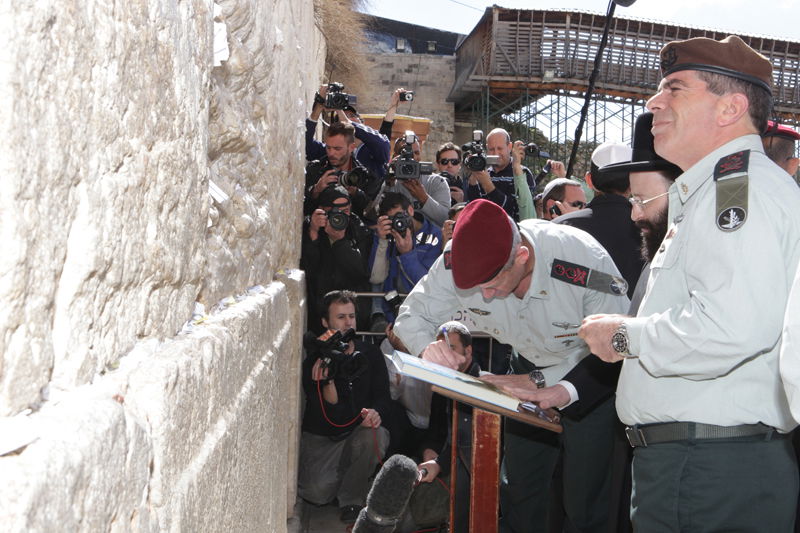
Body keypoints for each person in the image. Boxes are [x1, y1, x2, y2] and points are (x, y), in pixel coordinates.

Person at [579, 35, 800, 532]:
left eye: (674, 88)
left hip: (706, 468)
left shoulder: (736, 191)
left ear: (730, 108)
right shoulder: (716, 189)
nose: (654, 102)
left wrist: (623, 335)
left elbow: (731, 327)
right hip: (701, 463)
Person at [393, 198, 629, 533]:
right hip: (525, 365)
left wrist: (540, 381)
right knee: (519, 487)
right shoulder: (454, 261)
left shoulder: (584, 262)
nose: (485, 296)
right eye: (476, 288)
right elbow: (410, 316)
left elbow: (617, 343)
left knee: (585, 498)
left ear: (522, 256)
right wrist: (427, 351)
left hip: (588, 375)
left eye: (491, 284)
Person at [297, 290, 391, 524]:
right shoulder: (315, 361)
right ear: (325, 322)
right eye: (340, 317)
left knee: (375, 435)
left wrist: (375, 413)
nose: (348, 322)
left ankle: (352, 498)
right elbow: (331, 416)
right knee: (316, 494)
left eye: (351, 316)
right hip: (323, 438)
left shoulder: (369, 354)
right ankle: (350, 480)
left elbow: (383, 397)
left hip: (357, 434)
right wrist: (328, 382)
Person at [554, 142, 644, 298]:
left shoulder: (560, 228)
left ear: (589, 180)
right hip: (637, 318)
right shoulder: (652, 228)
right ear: (632, 182)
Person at [300, 185, 372, 333]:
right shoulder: (311, 226)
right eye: (334, 212)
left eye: (345, 211)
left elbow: (361, 271)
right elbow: (308, 269)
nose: (339, 217)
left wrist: (340, 242)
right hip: (320, 309)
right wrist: (313, 233)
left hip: (351, 307)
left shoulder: (357, 228)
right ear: (322, 210)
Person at [306, 84, 390, 200]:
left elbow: (382, 144)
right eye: (343, 118)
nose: (348, 119)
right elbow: (307, 146)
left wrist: (341, 114)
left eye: (352, 116)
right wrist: (318, 107)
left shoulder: (372, 153)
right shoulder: (330, 152)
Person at [369, 192, 442, 322]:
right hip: (392, 314)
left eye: (399, 216)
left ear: (410, 210)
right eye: (391, 220)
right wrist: (381, 241)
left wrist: (407, 254)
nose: (398, 223)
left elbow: (428, 285)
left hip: (424, 314)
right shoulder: (386, 237)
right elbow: (376, 277)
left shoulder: (435, 236)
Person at [373, 135, 451, 227]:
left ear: (420, 157)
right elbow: (373, 215)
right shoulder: (390, 182)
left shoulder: (436, 182)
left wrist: (424, 198)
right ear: (394, 157)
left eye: (416, 153)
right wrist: (387, 183)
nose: (411, 158)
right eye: (405, 154)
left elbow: (446, 219)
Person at [466, 128, 537, 222]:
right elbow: (474, 210)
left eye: (500, 148)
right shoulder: (483, 172)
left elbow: (513, 211)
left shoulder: (521, 172)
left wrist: (488, 185)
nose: (496, 153)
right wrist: (473, 182)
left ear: (510, 146)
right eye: (491, 149)